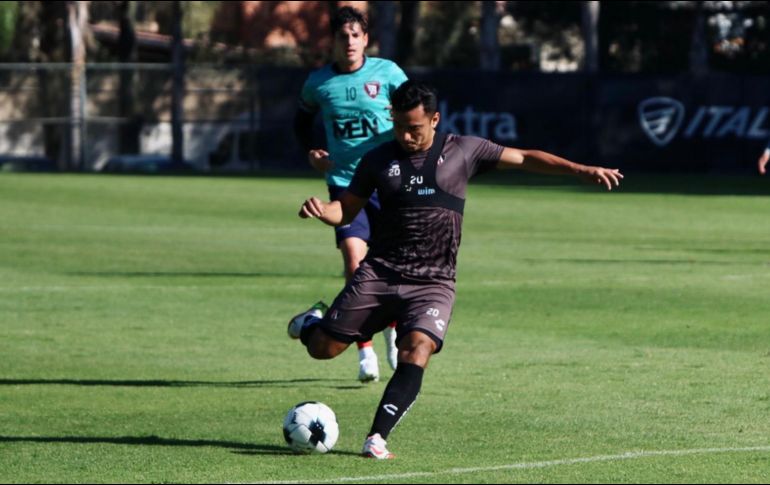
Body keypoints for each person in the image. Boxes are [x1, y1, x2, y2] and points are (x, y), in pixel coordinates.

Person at [288, 81, 624, 459]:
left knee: (418, 348)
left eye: (414, 127)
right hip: (380, 273)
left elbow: (525, 158)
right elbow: (345, 210)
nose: (405, 134)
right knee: (324, 349)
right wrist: (322, 210)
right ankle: (311, 324)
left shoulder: (464, 151)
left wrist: (580, 170)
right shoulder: (379, 159)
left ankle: (376, 437)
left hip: (434, 282)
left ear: (434, 119)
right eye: (398, 125)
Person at [293, 6, 408, 382]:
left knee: (388, 266)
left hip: (388, 181)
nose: (349, 43)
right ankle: (365, 351)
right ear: (334, 42)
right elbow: (300, 120)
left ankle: (390, 329)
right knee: (356, 267)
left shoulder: (388, 73)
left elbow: (415, 109)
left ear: (365, 39)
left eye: (355, 35)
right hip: (344, 183)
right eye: (342, 37)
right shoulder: (319, 83)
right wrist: (311, 151)